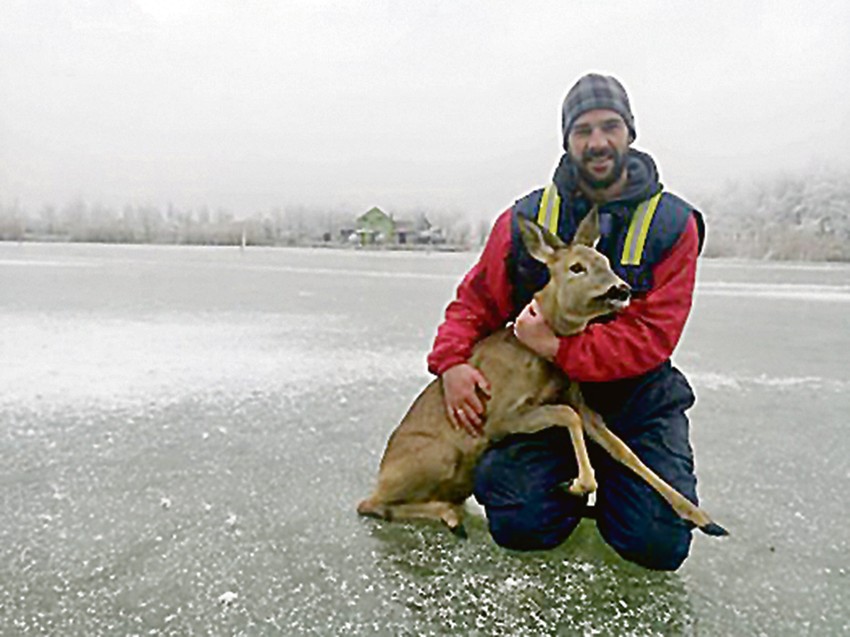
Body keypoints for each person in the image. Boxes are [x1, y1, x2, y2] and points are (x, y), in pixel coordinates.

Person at [426, 73, 706, 571]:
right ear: (567, 141)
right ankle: (575, 485)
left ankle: (620, 489)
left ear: (629, 134)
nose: (597, 142)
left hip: (636, 401)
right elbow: (474, 302)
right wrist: (450, 363)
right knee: (519, 522)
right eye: (583, 131)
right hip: (546, 399)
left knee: (656, 543)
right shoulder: (526, 218)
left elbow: (651, 338)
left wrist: (557, 348)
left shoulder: (672, 223)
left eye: (610, 126)